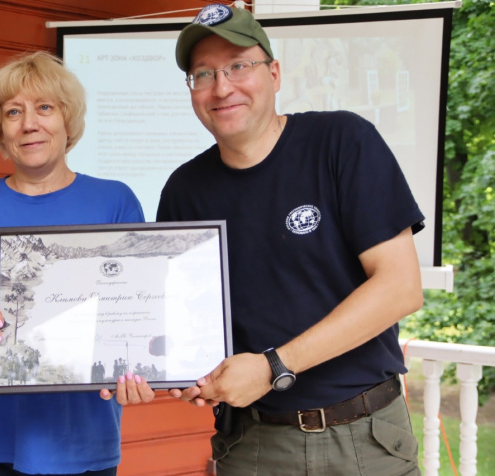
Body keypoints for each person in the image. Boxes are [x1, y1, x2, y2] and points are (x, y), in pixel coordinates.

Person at [157, 5, 425, 475]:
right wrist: (162, 372)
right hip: (256, 445)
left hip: (367, 438)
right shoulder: (184, 191)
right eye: (203, 74)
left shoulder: (343, 141)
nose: (222, 87)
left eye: (239, 65)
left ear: (274, 73)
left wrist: (273, 366)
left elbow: (400, 287)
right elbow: (184, 325)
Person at [0, 51, 154, 476]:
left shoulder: (115, 201)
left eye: (45, 107)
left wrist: (139, 366)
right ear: (0, 129)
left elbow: (137, 319)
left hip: (78, 442)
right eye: (13, 112)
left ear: (68, 120)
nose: (29, 123)